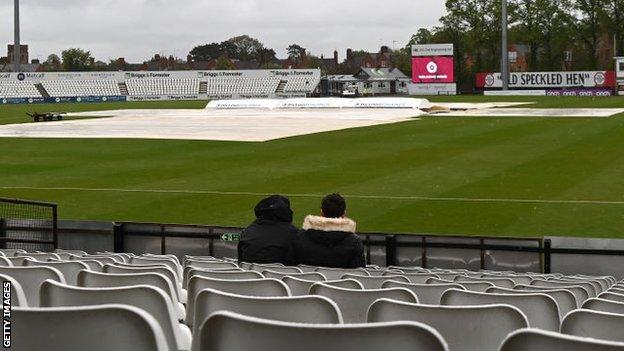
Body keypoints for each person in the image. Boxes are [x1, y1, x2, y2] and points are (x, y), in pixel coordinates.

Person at [293, 193, 365, 268]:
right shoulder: (354, 242)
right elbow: (359, 271)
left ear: (321, 213)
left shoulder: (301, 237)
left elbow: (291, 266)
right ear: (344, 214)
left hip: (307, 279)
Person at [238, 195, 298, 265]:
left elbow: (241, 261)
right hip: (281, 274)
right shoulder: (294, 233)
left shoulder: (247, 231)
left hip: (249, 274)